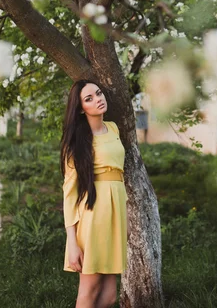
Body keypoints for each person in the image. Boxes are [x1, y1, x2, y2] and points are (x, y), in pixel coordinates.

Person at [60, 79, 128, 308]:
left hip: (115, 214)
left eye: (98, 94)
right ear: (81, 108)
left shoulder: (114, 129)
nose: (98, 99)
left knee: (109, 297)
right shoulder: (78, 142)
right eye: (89, 98)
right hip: (94, 213)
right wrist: (72, 240)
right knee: (88, 290)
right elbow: (69, 193)